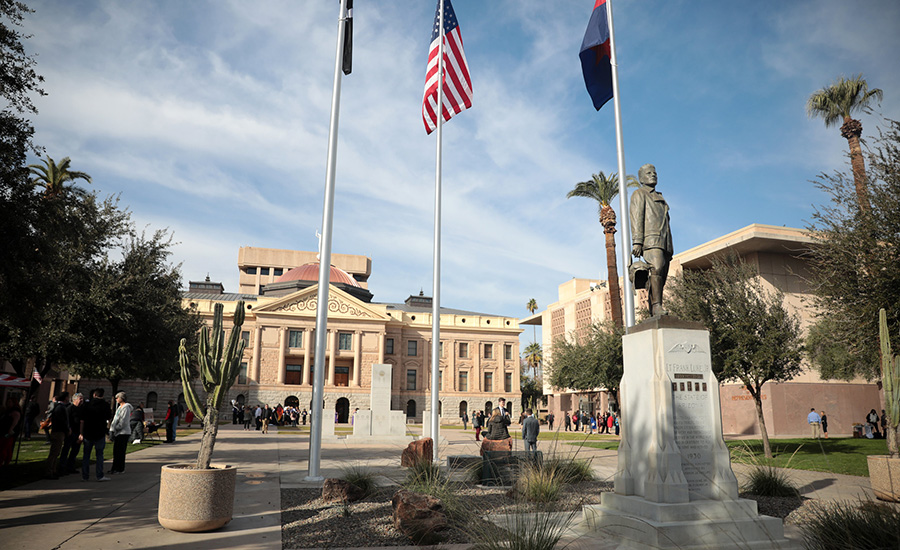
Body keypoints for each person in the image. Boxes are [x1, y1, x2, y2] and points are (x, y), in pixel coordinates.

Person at [630, 163, 673, 317]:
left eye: (654, 173)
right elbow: (637, 217)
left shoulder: (659, 196)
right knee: (656, 269)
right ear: (641, 178)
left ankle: (654, 308)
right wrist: (637, 241)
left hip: (664, 242)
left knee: (661, 276)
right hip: (651, 239)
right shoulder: (639, 194)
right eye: (649, 173)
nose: (653, 175)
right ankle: (656, 306)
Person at [80, 388, 112, 482]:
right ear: (102, 395)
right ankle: (99, 475)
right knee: (99, 455)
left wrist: (81, 433)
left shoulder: (87, 405)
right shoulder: (105, 405)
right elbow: (108, 417)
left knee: (86, 455)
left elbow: (82, 420)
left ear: (94, 395)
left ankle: (85, 476)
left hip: (88, 432)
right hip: (100, 432)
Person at [46, 392, 70, 479]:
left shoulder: (60, 407)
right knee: (54, 452)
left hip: (59, 432)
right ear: (65, 398)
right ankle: (49, 471)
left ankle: (53, 470)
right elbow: (62, 421)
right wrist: (67, 430)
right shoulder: (60, 408)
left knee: (56, 452)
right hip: (58, 432)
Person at [59, 393, 84, 475]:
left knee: (75, 450)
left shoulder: (81, 409)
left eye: (82, 399)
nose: (81, 401)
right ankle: (62, 467)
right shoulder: (69, 408)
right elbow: (67, 421)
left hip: (77, 433)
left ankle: (70, 466)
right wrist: (68, 429)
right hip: (70, 433)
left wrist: (81, 433)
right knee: (66, 449)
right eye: (80, 399)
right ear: (74, 399)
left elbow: (81, 421)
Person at [108, 392, 133, 474]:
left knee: (120, 452)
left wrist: (116, 428)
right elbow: (115, 419)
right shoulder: (119, 408)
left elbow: (123, 421)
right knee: (116, 451)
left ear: (122, 398)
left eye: (117, 397)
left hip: (123, 433)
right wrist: (112, 429)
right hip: (117, 433)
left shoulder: (126, 408)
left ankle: (120, 468)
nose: (116, 399)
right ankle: (114, 467)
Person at [0, 396, 22, 468]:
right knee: (7, 447)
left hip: (9, 432)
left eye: (10, 402)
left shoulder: (15, 411)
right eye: (7, 402)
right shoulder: (8, 410)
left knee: (5, 447)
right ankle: (6, 461)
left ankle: (4, 461)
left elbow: (15, 422)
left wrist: (10, 429)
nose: (8, 403)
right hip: (5, 430)